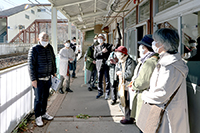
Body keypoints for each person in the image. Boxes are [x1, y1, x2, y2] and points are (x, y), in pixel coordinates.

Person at [141, 28, 190, 133]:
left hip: (167, 116)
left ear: (162, 44)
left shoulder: (169, 66)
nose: (153, 43)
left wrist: (144, 95)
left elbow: (161, 94)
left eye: (155, 41)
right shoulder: (170, 62)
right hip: (171, 112)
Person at [128, 35, 158, 124]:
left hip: (145, 98)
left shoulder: (150, 61)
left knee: (144, 124)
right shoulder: (149, 59)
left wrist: (134, 85)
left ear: (145, 48)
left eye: (141, 47)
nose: (139, 49)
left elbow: (142, 82)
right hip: (148, 97)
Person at [28, 32, 56, 127]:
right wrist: (33, 79)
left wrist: (54, 72)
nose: (45, 39)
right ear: (38, 39)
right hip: (38, 79)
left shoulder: (50, 47)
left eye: (47, 37)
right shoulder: (34, 49)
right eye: (43, 37)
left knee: (45, 97)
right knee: (38, 98)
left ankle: (43, 113)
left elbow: (53, 60)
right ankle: (37, 116)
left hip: (47, 78)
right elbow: (31, 65)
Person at [115, 46, 136, 124]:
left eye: (119, 53)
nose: (117, 54)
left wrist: (121, 73)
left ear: (124, 54)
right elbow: (117, 70)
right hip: (122, 83)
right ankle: (126, 115)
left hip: (128, 84)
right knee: (122, 99)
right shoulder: (120, 61)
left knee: (128, 101)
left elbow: (129, 74)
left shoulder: (130, 61)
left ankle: (129, 118)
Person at [94, 34, 112, 99]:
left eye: (101, 38)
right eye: (99, 38)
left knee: (107, 80)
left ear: (104, 39)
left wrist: (106, 52)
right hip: (99, 65)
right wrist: (102, 52)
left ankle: (107, 93)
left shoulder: (107, 46)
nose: (100, 39)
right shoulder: (96, 47)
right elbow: (95, 56)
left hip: (106, 64)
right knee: (99, 80)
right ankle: (100, 92)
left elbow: (109, 54)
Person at [107, 38, 120, 105]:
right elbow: (107, 62)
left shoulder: (121, 54)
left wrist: (118, 62)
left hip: (119, 72)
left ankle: (120, 99)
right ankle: (113, 99)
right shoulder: (111, 54)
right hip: (112, 72)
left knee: (120, 85)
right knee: (113, 86)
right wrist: (110, 62)